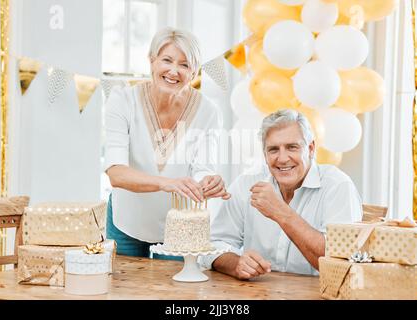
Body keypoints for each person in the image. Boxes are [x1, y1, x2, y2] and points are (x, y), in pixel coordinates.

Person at [104, 27, 230, 258]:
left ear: (194, 72)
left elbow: (203, 169)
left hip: (178, 227)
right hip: (127, 220)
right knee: (123, 291)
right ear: (152, 61)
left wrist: (208, 183)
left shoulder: (209, 111)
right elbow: (116, 173)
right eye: (167, 60)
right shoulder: (122, 100)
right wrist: (166, 183)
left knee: (173, 291)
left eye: (184, 64)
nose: (174, 71)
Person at [199, 109, 362, 277]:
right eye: (273, 149)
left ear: (311, 149)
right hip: (257, 294)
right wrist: (236, 264)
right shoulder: (246, 184)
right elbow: (213, 244)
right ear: (264, 154)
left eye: (292, 147)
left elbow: (341, 265)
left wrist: (281, 213)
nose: (282, 158)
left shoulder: (338, 186)